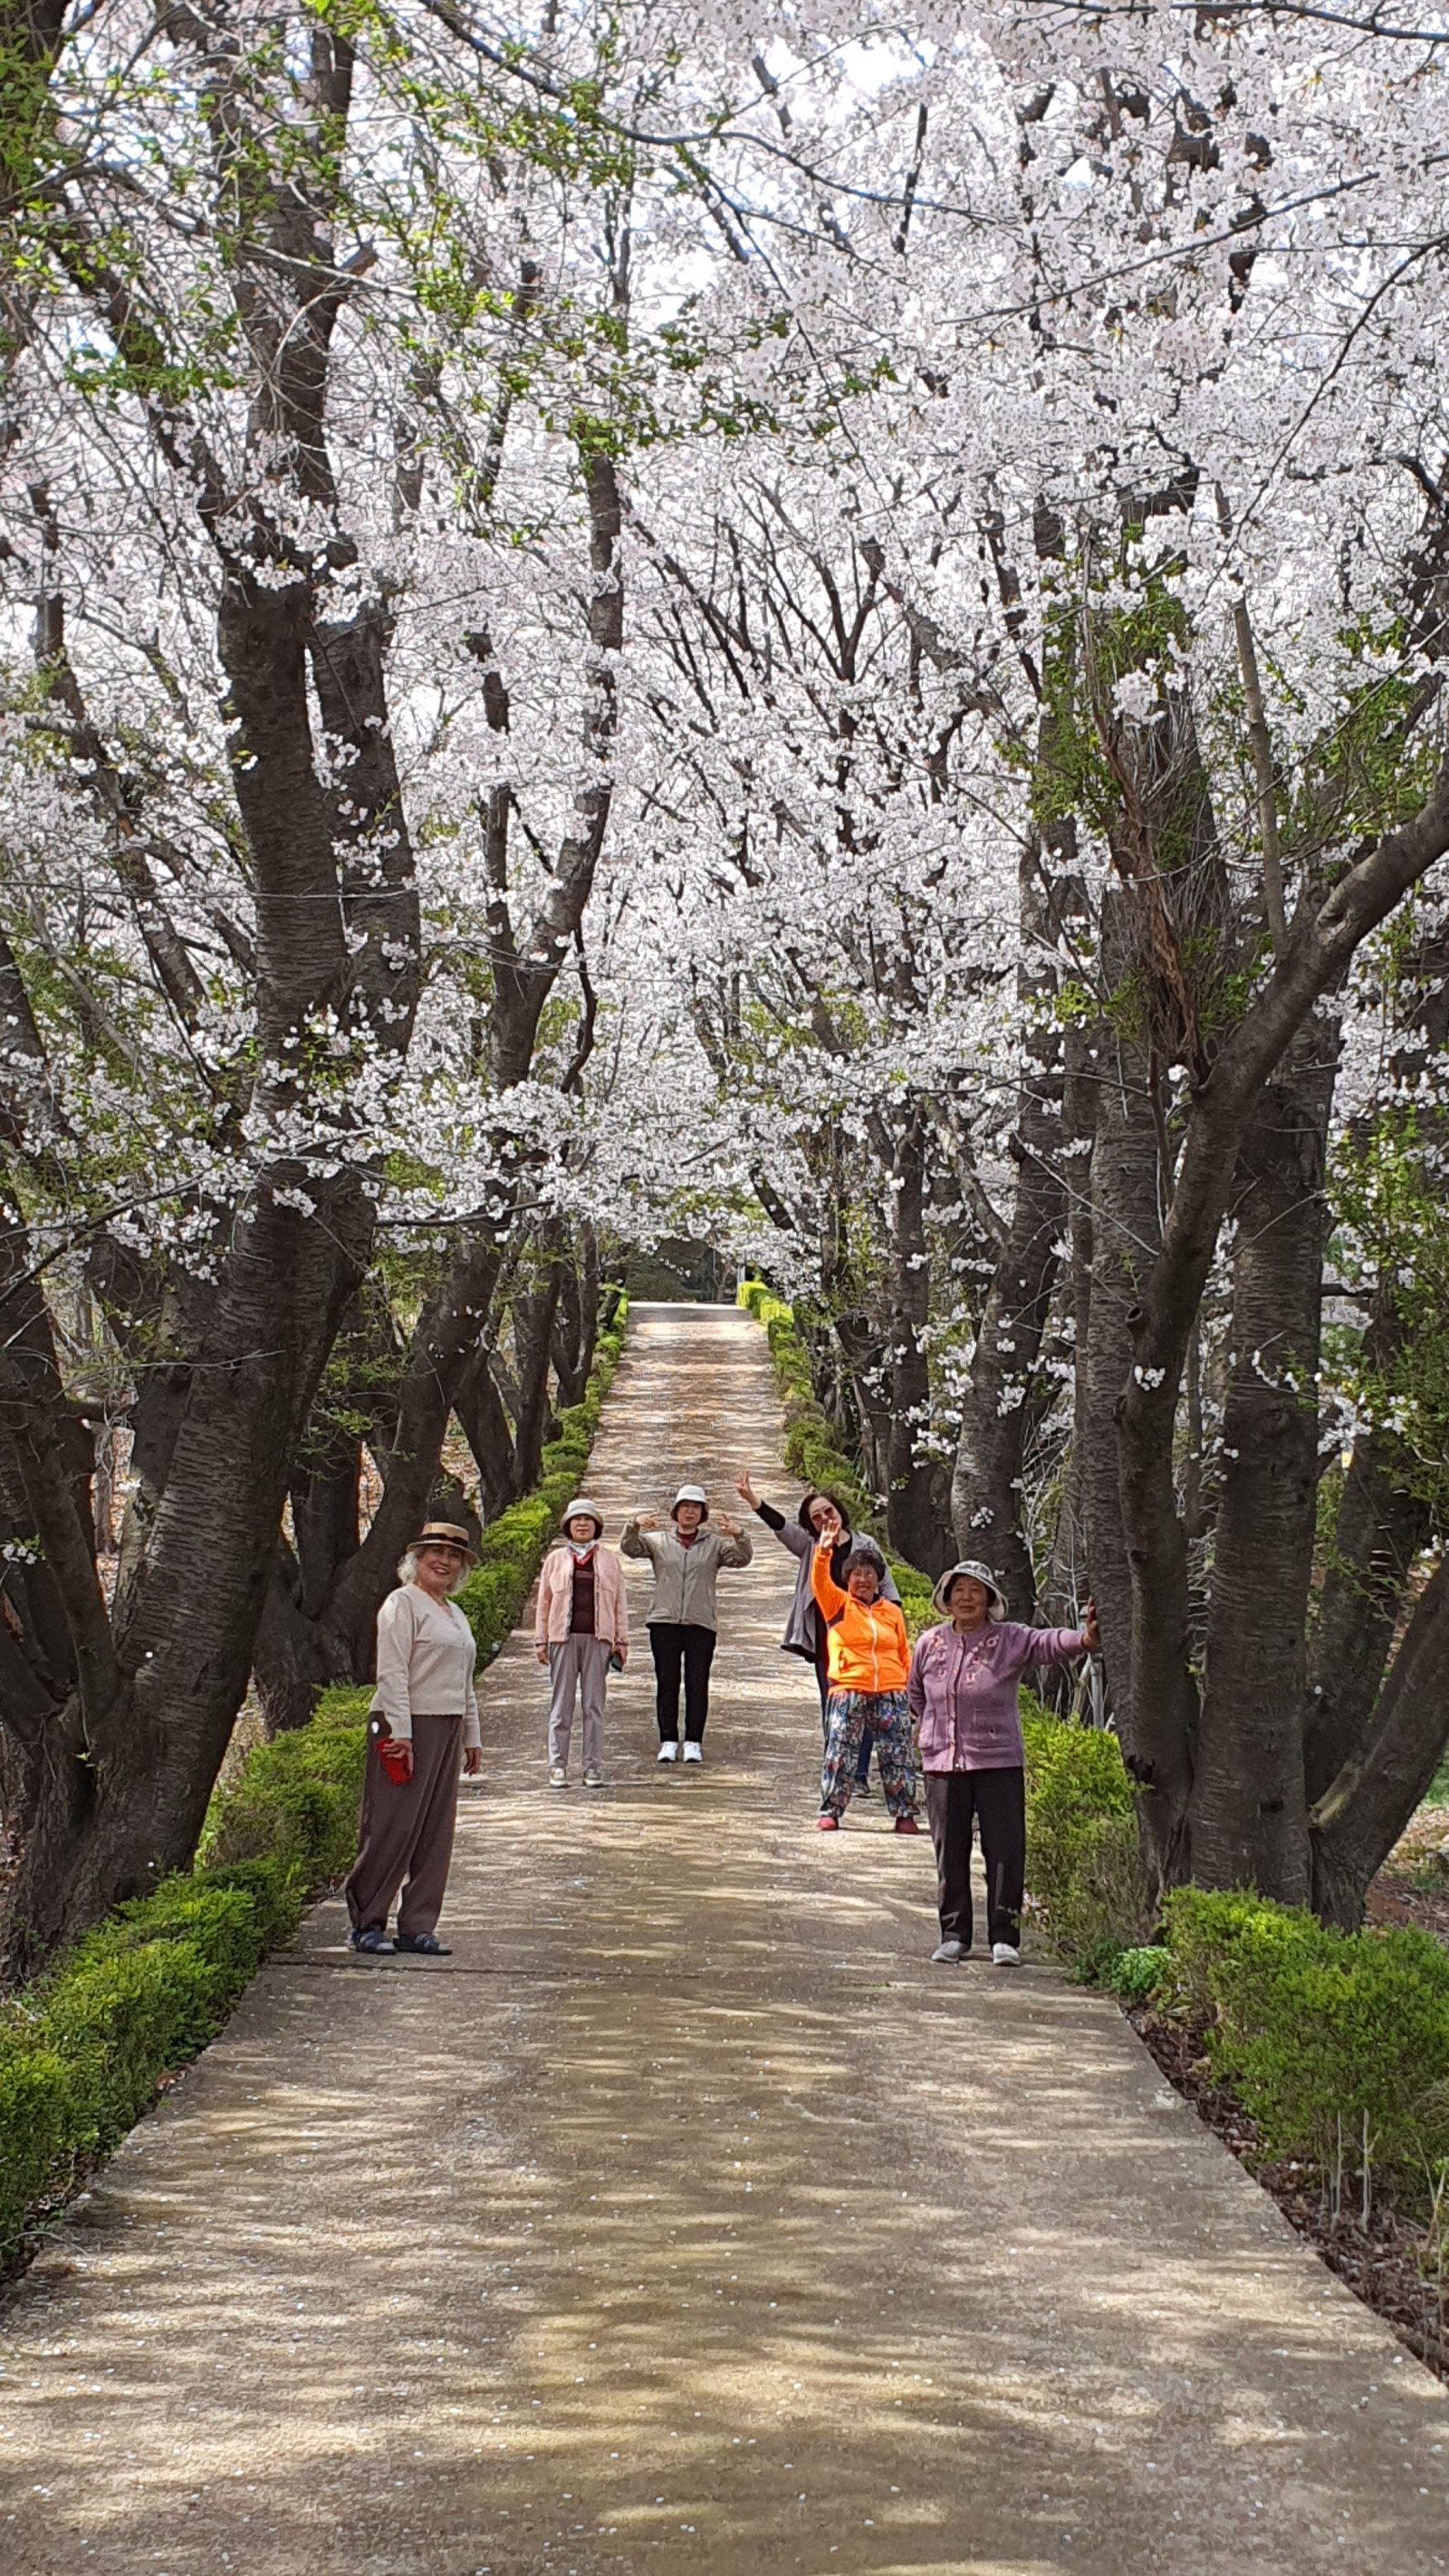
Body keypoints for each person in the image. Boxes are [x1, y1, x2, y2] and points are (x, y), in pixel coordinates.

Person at [907, 1561, 1099, 1967]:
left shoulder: (1009, 1639)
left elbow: (1048, 1643)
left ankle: (1004, 1937)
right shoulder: (930, 1643)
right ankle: (954, 1935)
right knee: (949, 1852)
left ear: (990, 1599)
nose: (966, 1597)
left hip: (998, 1761)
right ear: (946, 1597)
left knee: (1005, 1849)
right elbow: (916, 1693)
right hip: (942, 1764)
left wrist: (1084, 1639)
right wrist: (930, 1729)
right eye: (959, 1589)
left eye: (976, 1590)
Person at [345, 1521, 485, 1956]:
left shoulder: (454, 1614)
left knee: (434, 1830)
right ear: (416, 1560)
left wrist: (472, 1735)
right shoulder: (401, 1603)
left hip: (446, 1725)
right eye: (435, 1553)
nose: (444, 1561)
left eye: (454, 1556)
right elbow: (391, 1672)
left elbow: (464, 1681)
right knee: (392, 1825)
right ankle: (367, 1922)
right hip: (403, 1724)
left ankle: (417, 1926)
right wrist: (401, 1733)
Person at [735, 1471, 901, 1793]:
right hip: (828, 1639)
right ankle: (837, 1766)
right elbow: (781, 1527)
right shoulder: (811, 1547)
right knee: (834, 1703)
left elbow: (887, 1587)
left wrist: (893, 1625)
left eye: (828, 1511)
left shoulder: (865, 1544)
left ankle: (859, 1774)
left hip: (866, 1639)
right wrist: (753, 1500)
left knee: (866, 1704)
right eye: (816, 1517)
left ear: (839, 1511)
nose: (825, 1518)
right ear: (810, 1525)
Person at [620, 1484, 752, 1764]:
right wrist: (634, 1525)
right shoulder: (658, 1541)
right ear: (676, 1512)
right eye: (685, 1507)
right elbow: (629, 1548)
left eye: (695, 1507)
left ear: (703, 1513)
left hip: (700, 1622)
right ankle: (668, 1740)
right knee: (667, 1682)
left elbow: (742, 1559)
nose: (690, 1512)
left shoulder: (714, 1544)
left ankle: (693, 1741)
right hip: (664, 1621)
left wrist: (739, 1534)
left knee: (697, 1683)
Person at [809, 1507, 918, 1831]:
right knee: (840, 1751)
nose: (863, 1579)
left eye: (869, 1573)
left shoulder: (891, 1612)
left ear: (878, 1579)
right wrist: (823, 1551)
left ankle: (904, 1813)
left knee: (898, 1754)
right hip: (848, 1688)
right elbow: (819, 1580)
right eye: (856, 1574)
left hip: (891, 1691)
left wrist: (911, 1692)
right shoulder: (837, 1604)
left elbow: (903, 1651)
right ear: (847, 1579)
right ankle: (831, 1811)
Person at [534, 1497, 629, 1787]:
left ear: (596, 1526)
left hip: (598, 1640)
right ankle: (557, 1766)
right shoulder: (555, 1560)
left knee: (594, 1706)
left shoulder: (609, 1560)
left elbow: (619, 1603)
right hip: (562, 1640)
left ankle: (592, 1767)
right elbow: (544, 1602)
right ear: (568, 1526)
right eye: (577, 1519)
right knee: (561, 1706)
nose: (583, 1524)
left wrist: (621, 1640)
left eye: (588, 1520)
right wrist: (540, 1640)